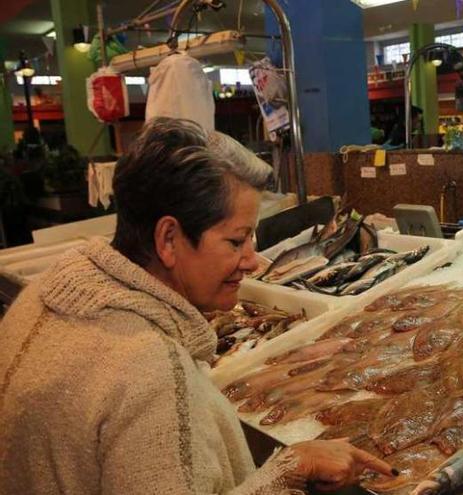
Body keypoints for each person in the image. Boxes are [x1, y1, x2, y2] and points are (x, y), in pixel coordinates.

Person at [0, 118, 395, 494]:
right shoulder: (146, 369)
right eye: (236, 241)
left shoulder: (39, 297)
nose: (254, 261)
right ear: (169, 239)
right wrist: (291, 468)